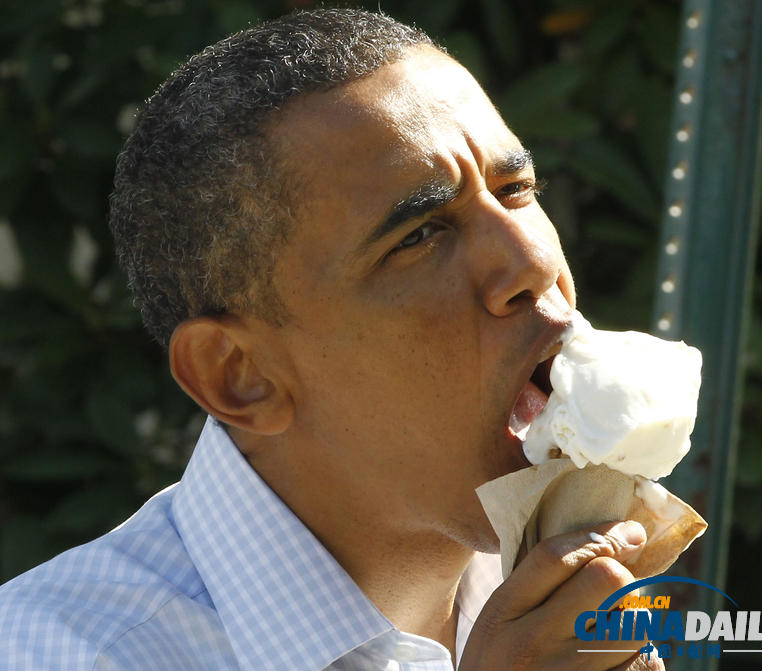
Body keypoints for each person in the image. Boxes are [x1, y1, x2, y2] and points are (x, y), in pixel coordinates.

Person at [0, 9, 661, 671]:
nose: (533, 263)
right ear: (240, 375)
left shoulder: (592, 586)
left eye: (516, 189)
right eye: (418, 235)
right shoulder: (55, 652)